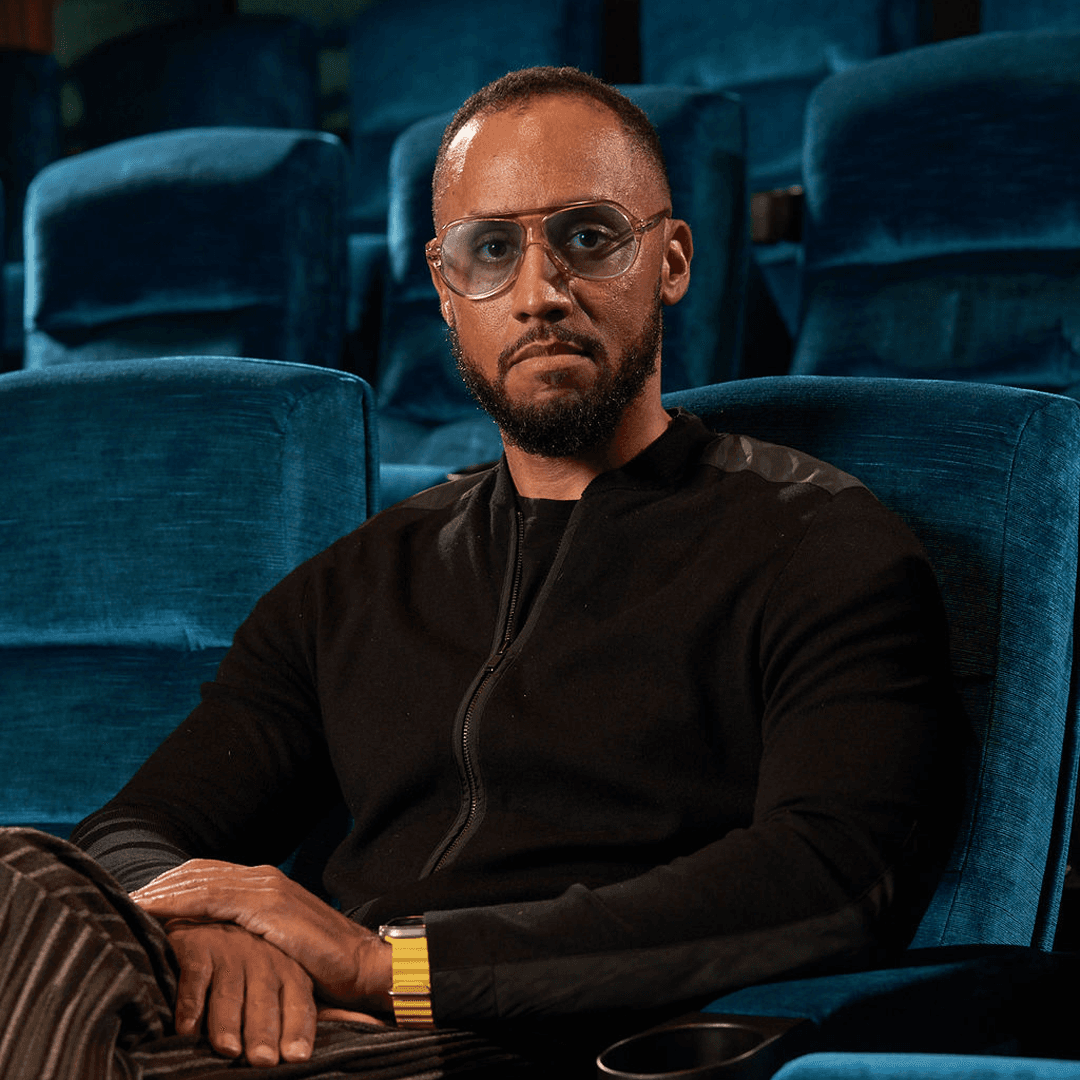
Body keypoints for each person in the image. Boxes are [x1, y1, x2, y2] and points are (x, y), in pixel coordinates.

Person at [4, 66, 963, 1078]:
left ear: (672, 259)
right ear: (446, 287)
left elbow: (829, 878)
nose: (541, 292)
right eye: (493, 250)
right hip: (290, 1037)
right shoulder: (356, 582)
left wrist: (392, 967)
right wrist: (200, 929)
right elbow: (132, 831)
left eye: (589, 238)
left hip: (517, 1039)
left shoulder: (816, 542)